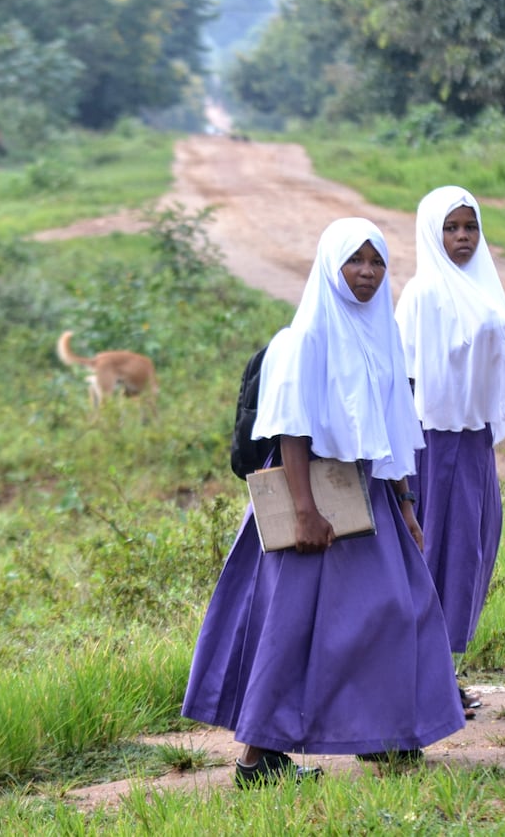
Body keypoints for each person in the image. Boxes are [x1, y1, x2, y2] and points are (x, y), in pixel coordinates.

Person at [182, 217, 465, 788]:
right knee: (290, 627)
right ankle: (258, 760)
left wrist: (406, 505)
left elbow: (388, 425)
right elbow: (292, 429)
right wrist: (306, 511)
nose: (366, 273)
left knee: (397, 609)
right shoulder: (301, 339)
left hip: (368, 496)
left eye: (376, 261)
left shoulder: (379, 332)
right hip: (308, 493)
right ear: (330, 267)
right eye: (354, 261)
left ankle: (386, 735)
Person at [394, 186, 505, 713]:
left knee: (467, 554)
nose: (463, 238)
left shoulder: (485, 288)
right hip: (430, 446)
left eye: (469, 227)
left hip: (472, 445)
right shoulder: (422, 295)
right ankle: (422, 686)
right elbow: (403, 379)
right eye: (450, 229)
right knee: (429, 557)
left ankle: (440, 676)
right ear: (432, 232)